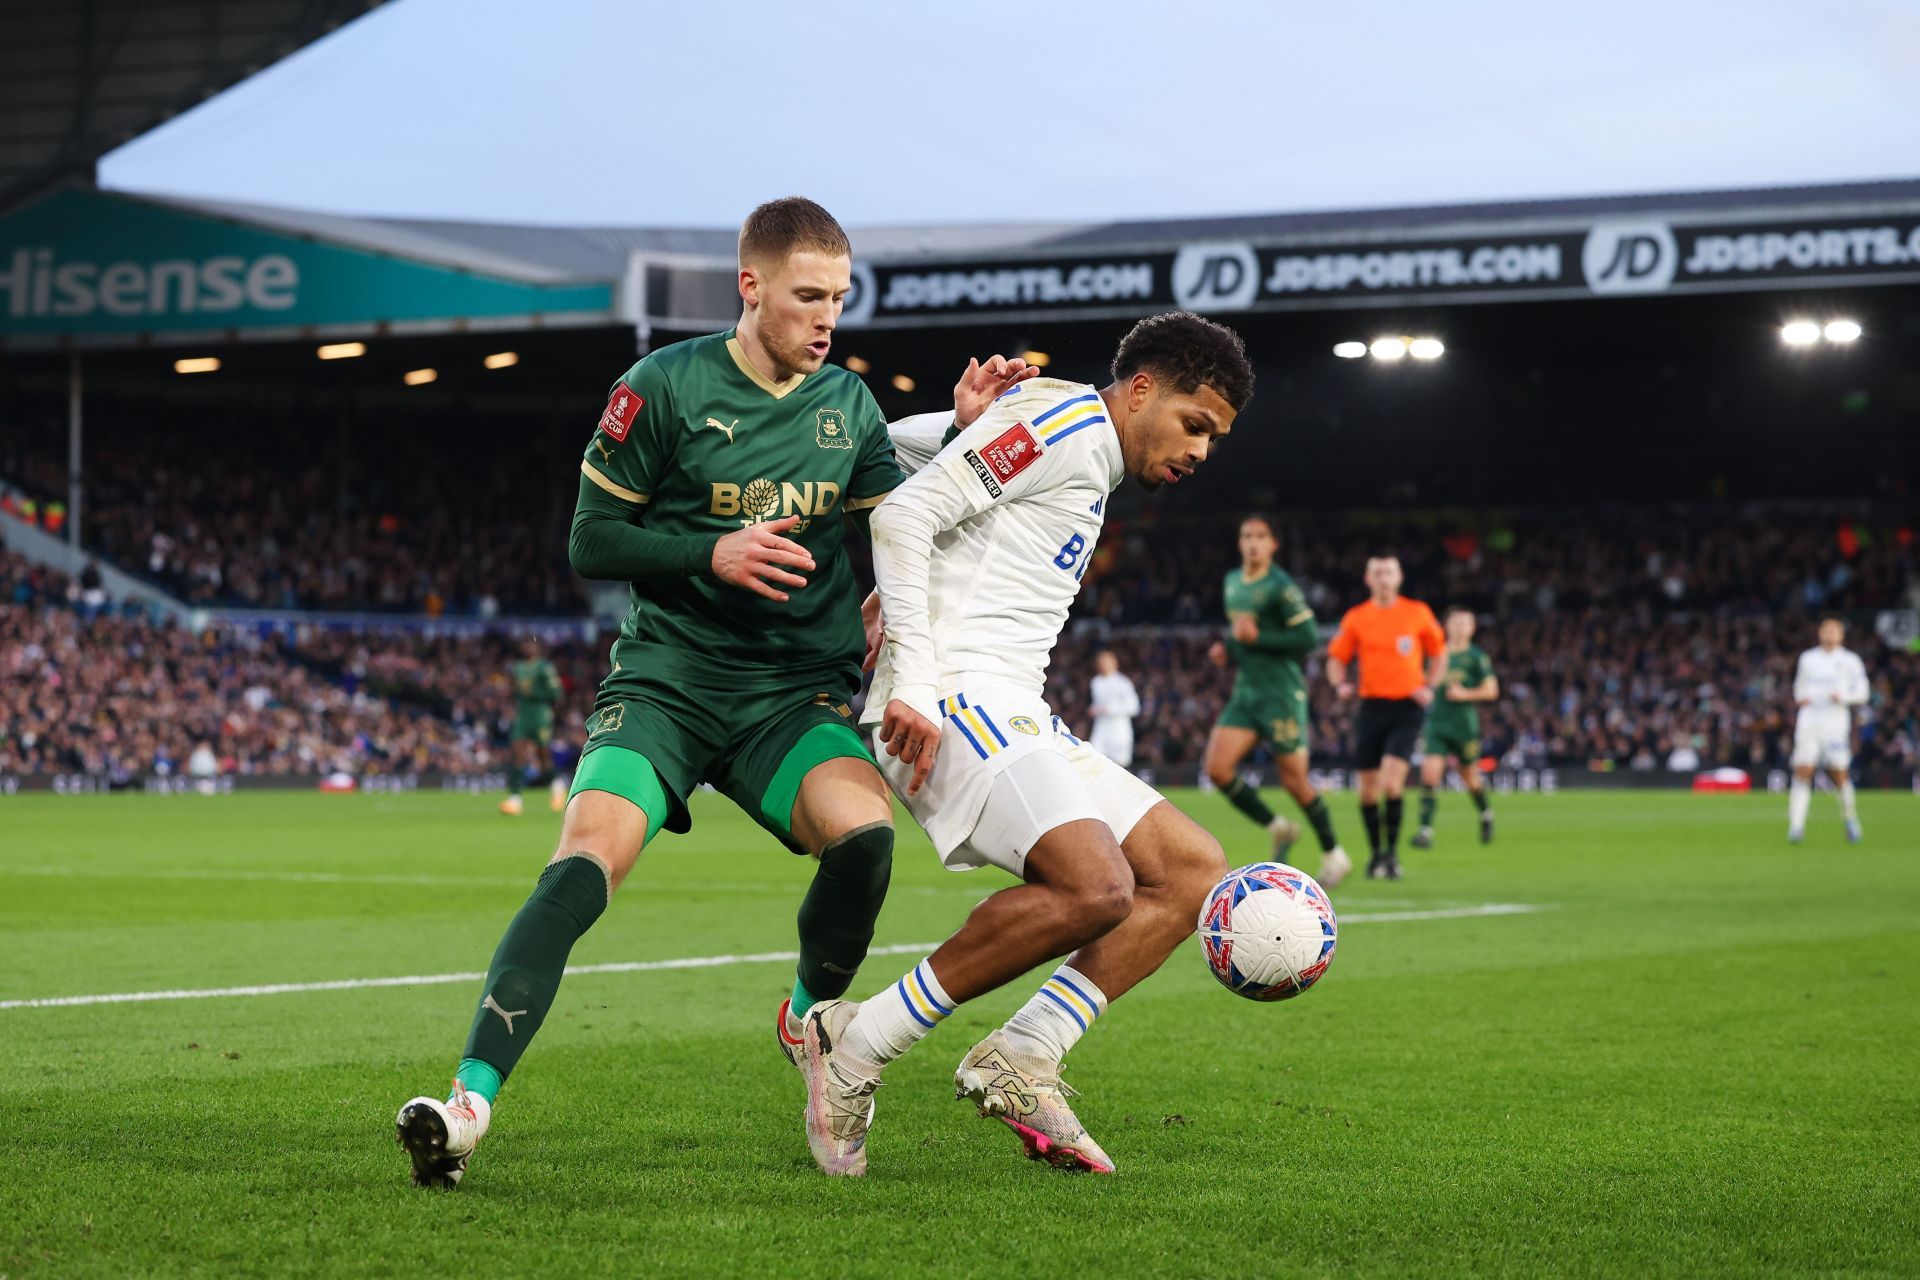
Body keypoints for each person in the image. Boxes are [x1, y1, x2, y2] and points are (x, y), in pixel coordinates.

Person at [394, 196, 1034, 1188]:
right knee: (583, 859)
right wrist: (711, 549)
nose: (826, 318)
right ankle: (469, 1100)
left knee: (864, 843)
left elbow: (906, 521)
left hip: (790, 693)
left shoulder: (849, 406)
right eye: (807, 296)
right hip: (670, 677)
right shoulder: (662, 389)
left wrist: (960, 435)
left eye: (839, 298)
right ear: (751, 285)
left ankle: (809, 1020)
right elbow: (588, 541)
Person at [796, 310, 1254, 1177]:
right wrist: (917, 679)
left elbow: (890, 448)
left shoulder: (1078, 442)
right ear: (1143, 389)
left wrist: (959, 428)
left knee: (1190, 872)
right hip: (952, 699)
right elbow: (900, 518)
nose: (1201, 452)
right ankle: (854, 1045)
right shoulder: (1072, 426)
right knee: (1096, 887)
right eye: (1195, 424)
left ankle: (1026, 1050)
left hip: (1014, 705)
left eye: (1216, 438)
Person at [1203, 515, 1350, 885]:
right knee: (1218, 769)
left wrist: (1257, 639)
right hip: (1246, 693)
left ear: (1273, 545)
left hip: (1281, 694)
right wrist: (1229, 648)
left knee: (1295, 782)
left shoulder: (1281, 586)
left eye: (1260, 537)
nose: (1252, 543)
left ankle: (1335, 853)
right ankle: (1279, 827)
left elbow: (1308, 637)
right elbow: (1243, 634)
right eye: (1246, 536)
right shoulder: (1232, 582)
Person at [1325, 555, 1445, 880]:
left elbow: (1439, 652)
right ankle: (1375, 854)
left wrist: (1430, 685)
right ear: (1368, 579)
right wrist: (1340, 684)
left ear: (1399, 576)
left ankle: (1391, 855)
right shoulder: (1357, 618)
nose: (1383, 577)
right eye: (1377, 572)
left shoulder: (1417, 612)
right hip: (1370, 708)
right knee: (1367, 792)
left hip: (1407, 707)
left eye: (1389, 571)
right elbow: (1336, 659)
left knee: (1392, 785)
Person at [1410, 607, 1499, 849]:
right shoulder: (1436, 655)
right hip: (1437, 724)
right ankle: (1425, 831)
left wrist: (1464, 693)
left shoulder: (1476, 657)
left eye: (1465, 623)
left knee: (1469, 777)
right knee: (1429, 775)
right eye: (1456, 622)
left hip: (1464, 727)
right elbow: (1421, 681)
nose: (1460, 627)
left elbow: (1492, 690)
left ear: (1472, 629)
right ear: (1447, 626)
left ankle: (1485, 813)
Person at [1788, 614, 1869, 843]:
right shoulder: (1807, 658)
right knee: (1803, 770)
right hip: (1809, 722)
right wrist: (1800, 697)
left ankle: (1850, 819)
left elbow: (1862, 693)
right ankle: (1796, 826)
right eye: (1826, 630)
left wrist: (1843, 696)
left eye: (1834, 630)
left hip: (1835, 724)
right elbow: (1798, 688)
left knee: (1839, 774)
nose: (1830, 634)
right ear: (1819, 633)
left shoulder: (1851, 660)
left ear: (1841, 635)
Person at [498, 636, 566, 816]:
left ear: (537, 647)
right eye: (524, 644)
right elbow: (514, 692)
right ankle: (515, 800)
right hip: (523, 715)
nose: (527, 647)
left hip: (540, 715)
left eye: (531, 643)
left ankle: (557, 785)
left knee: (543, 756)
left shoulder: (545, 667)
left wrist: (535, 692)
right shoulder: (517, 668)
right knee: (517, 753)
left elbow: (556, 693)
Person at [1088, 650, 1141, 769]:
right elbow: (1097, 704)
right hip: (1101, 728)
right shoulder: (1096, 682)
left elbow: (1134, 707)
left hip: (1119, 728)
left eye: (1106, 662)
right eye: (1100, 662)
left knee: (1120, 763)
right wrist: (1094, 709)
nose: (1103, 665)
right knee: (1095, 758)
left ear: (1114, 663)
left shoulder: (1123, 682)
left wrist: (1109, 709)